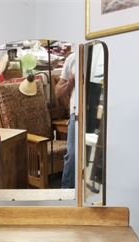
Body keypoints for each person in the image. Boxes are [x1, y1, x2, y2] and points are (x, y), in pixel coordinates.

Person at [55, 53, 76, 189]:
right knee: (73, 154)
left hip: (101, 110)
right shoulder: (72, 59)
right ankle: (65, 194)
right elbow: (57, 92)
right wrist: (70, 83)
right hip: (77, 113)